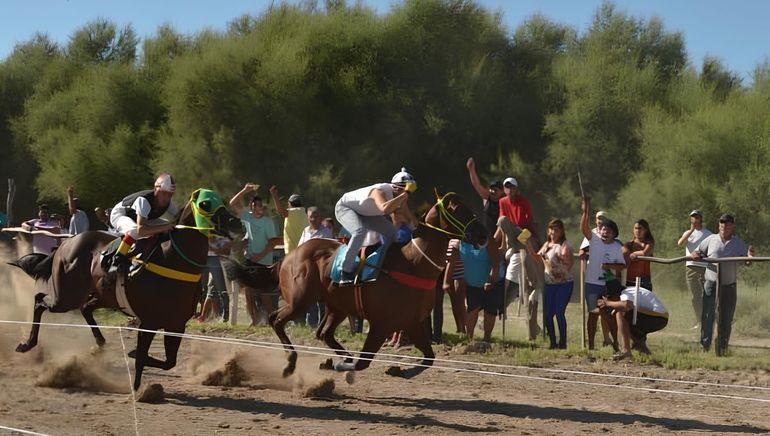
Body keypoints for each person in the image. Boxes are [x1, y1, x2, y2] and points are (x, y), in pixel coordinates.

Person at [334, 168, 415, 285]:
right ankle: (345, 270)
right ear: (396, 187)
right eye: (407, 190)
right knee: (359, 231)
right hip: (345, 208)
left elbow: (407, 216)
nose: (408, 193)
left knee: (392, 233)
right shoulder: (379, 191)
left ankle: (386, 262)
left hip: (366, 213)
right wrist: (405, 195)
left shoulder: (400, 196)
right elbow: (384, 208)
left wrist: (415, 229)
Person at [691, 213, 754, 355]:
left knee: (726, 318)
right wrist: (696, 254)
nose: (724, 226)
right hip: (711, 284)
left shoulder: (739, 243)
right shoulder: (711, 239)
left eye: (727, 223)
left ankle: (722, 348)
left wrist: (750, 257)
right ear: (718, 225)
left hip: (729, 285)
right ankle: (704, 347)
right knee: (708, 316)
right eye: (721, 223)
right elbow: (698, 251)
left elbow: (747, 261)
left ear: (732, 226)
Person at [230, 183, 282, 325]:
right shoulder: (248, 217)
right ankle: (255, 319)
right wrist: (245, 190)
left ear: (262, 208)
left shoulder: (268, 222)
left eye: (260, 206)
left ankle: (274, 318)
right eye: (255, 206)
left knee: (264, 293)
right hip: (250, 259)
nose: (257, 208)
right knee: (248, 291)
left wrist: (260, 255)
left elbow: (273, 242)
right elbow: (232, 203)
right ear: (252, 207)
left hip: (264, 261)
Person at [496, 176, 541, 340]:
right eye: (506, 187)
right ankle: (501, 307)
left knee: (523, 239)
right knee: (502, 220)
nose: (509, 190)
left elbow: (529, 222)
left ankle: (532, 329)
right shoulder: (502, 202)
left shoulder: (524, 202)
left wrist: (533, 238)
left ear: (516, 188)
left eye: (511, 187)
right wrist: (501, 244)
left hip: (523, 233)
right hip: (512, 238)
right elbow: (502, 225)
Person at [108, 173, 179, 272]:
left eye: (170, 194)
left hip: (142, 219)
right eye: (164, 193)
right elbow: (141, 230)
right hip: (121, 214)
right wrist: (165, 227)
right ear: (156, 190)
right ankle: (116, 261)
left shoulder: (169, 203)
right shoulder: (144, 200)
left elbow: (179, 218)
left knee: (170, 225)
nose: (166, 198)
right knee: (134, 231)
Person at [580, 196, 625, 350]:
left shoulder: (616, 247)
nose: (605, 232)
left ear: (614, 234)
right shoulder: (594, 240)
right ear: (600, 230)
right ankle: (591, 347)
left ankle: (616, 346)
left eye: (609, 230)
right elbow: (584, 228)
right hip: (592, 283)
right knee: (593, 314)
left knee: (609, 315)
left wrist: (609, 265)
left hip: (607, 281)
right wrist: (585, 212)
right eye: (603, 229)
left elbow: (622, 266)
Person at [445, 233, 503, 342]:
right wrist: (446, 282)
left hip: (492, 283)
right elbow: (451, 263)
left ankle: (487, 338)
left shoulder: (489, 241)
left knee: (490, 311)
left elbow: (496, 264)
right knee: (472, 310)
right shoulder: (460, 244)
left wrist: (490, 280)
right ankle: (469, 337)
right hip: (472, 284)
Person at [597, 278, 669, 361]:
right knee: (628, 322)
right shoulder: (629, 290)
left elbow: (627, 304)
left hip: (658, 316)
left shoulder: (625, 294)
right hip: (658, 317)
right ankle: (644, 352)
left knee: (620, 313)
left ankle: (626, 351)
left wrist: (607, 303)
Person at [531, 219, 574, 349]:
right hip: (549, 284)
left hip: (564, 283)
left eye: (556, 230)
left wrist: (560, 258)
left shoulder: (565, 245)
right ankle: (552, 342)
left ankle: (563, 342)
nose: (553, 232)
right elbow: (537, 257)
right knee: (548, 314)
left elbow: (568, 263)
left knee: (559, 312)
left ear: (561, 231)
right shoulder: (547, 244)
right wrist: (527, 245)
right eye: (551, 229)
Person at [297, 206, 332, 328]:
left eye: (316, 217)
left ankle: (322, 324)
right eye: (311, 217)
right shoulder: (305, 231)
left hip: (320, 270)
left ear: (320, 217)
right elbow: (300, 248)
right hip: (307, 270)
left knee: (322, 298)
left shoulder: (326, 232)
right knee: (308, 296)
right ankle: (311, 324)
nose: (313, 219)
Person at [677, 209, 712, 329]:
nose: (695, 219)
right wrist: (691, 230)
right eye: (693, 217)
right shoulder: (688, 232)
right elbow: (680, 243)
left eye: (697, 217)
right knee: (694, 295)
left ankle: (710, 319)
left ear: (701, 218)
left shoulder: (709, 234)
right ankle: (700, 320)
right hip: (691, 266)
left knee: (708, 294)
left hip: (705, 267)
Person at [196, 235, 232, 322]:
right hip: (206, 259)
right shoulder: (205, 235)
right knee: (206, 288)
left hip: (220, 262)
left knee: (221, 288)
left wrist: (212, 246)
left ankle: (225, 313)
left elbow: (225, 251)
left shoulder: (226, 237)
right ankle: (204, 314)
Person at [465, 157, 503, 236]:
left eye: (496, 190)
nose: (493, 191)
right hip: (486, 234)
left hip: (500, 235)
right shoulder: (487, 198)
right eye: (491, 189)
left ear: (501, 191)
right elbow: (477, 184)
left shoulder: (504, 201)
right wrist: (471, 170)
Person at [269, 186, 306, 255]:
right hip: (303, 250)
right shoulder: (304, 213)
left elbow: (280, 211)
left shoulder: (294, 212)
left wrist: (275, 196)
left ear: (290, 203)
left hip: (292, 251)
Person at [623, 219, 655, 290]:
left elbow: (645, 253)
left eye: (640, 228)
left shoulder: (649, 243)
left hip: (644, 281)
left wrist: (633, 254)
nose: (637, 231)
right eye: (636, 228)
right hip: (629, 280)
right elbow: (623, 255)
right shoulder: (629, 244)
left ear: (645, 230)